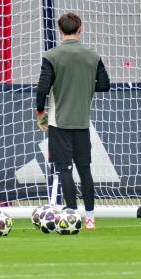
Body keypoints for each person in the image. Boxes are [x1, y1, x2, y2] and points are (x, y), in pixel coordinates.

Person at [35, 12, 110, 230]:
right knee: (85, 169)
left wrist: (40, 112)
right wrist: (85, 86)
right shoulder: (92, 55)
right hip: (82, 123)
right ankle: (90, 219)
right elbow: (105, 85)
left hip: (60, 123)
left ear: (60, 30)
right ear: (80, 29)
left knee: (64, 169)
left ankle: (71, 216)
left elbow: (43, 88)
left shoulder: (52, 55)